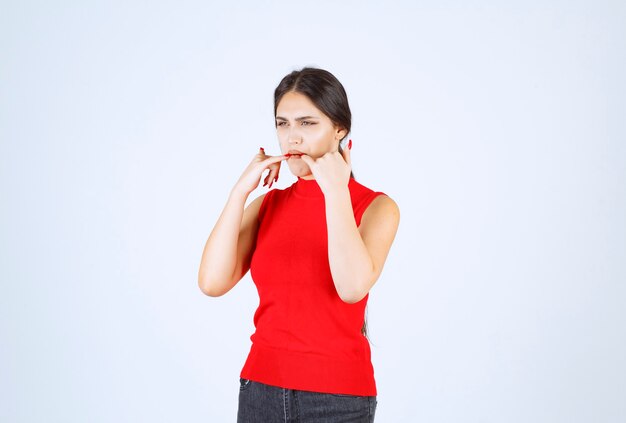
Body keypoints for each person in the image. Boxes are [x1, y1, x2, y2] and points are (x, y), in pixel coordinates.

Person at [198, 67, 400, 422]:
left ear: (339, 129)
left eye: (307, 123)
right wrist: (239, 193)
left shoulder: (375, 207)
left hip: (339, 399)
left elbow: (351, 288)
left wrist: (335, 190)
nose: (292, 138)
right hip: (260, 389)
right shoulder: (268, 205)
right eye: (282, 123)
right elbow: (212, 283)